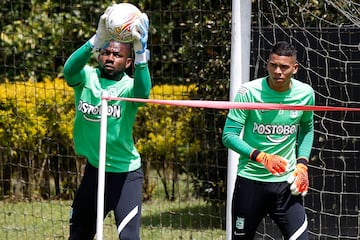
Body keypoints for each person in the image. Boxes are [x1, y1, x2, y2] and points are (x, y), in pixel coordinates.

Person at [63, 5, 151, 240]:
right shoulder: (87, 77)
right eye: (106, 52)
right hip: (95, 170)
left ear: (128, 63)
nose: (110, 57)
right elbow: (69, 71)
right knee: (79, 234)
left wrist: (141, 54)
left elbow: (143, 94)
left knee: (129, 238)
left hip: (126, 175)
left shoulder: (128, 87)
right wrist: (96, 39)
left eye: (118, 55)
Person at [222, 41, 314, 240]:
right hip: (250, 183)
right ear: (267, 65)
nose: (278, 71)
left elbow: (307, 129)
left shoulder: (305, 94)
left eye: (284, 67)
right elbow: (228, 136)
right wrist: (261, 157)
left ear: (295, 68)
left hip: (285, 186)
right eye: (273, 65)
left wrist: (302, 165)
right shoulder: (248, 92)